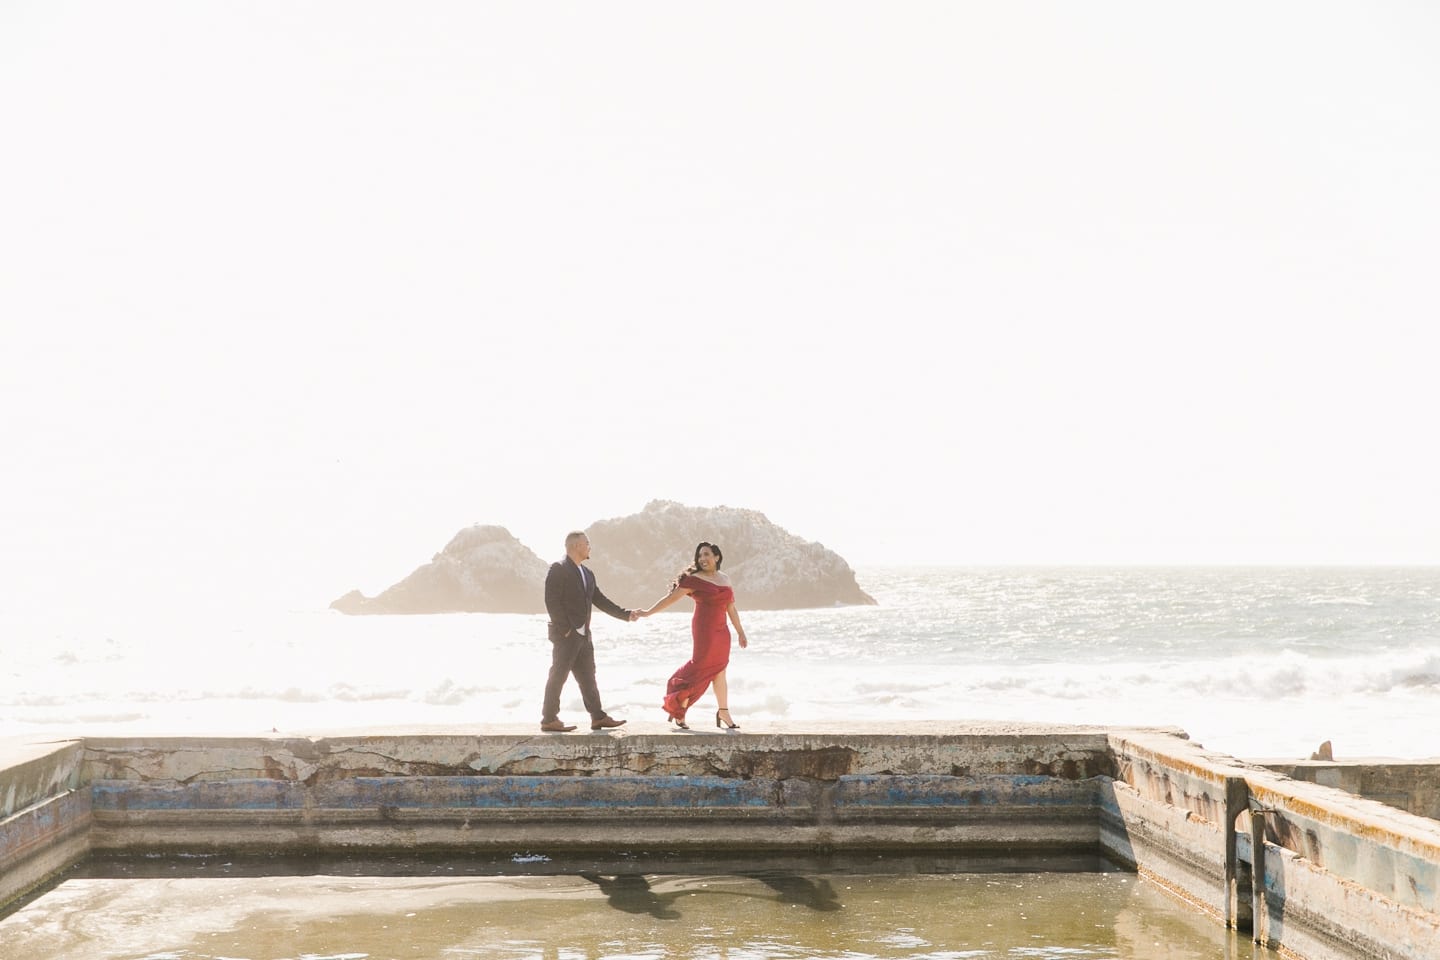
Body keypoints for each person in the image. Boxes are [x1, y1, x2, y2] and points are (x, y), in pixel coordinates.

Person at [639, 541, 748, 730]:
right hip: (704, 629)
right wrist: (648, 612)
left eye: (706, 554)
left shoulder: (725, 579)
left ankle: (723, 711)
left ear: (717, 557)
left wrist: (740, 631)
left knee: (720, 670)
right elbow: (671, 599)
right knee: (699, 667)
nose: (702, 559)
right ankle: (679, 706)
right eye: (699, 556)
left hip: (723, 632)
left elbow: (731, 607)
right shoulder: (694, 579)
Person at [541, 530, 636, 732]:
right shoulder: (558, 568)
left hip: (584, 636)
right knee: (558, 675)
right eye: (587, 543)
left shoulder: (588, 574)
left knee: (588, 677)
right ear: (576, 546)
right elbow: (551, 600)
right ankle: (549, 719)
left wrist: (626, 615)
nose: (589, 546)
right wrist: (565, 629)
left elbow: (600, 600)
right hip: (566, 635)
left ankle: (597, 717)